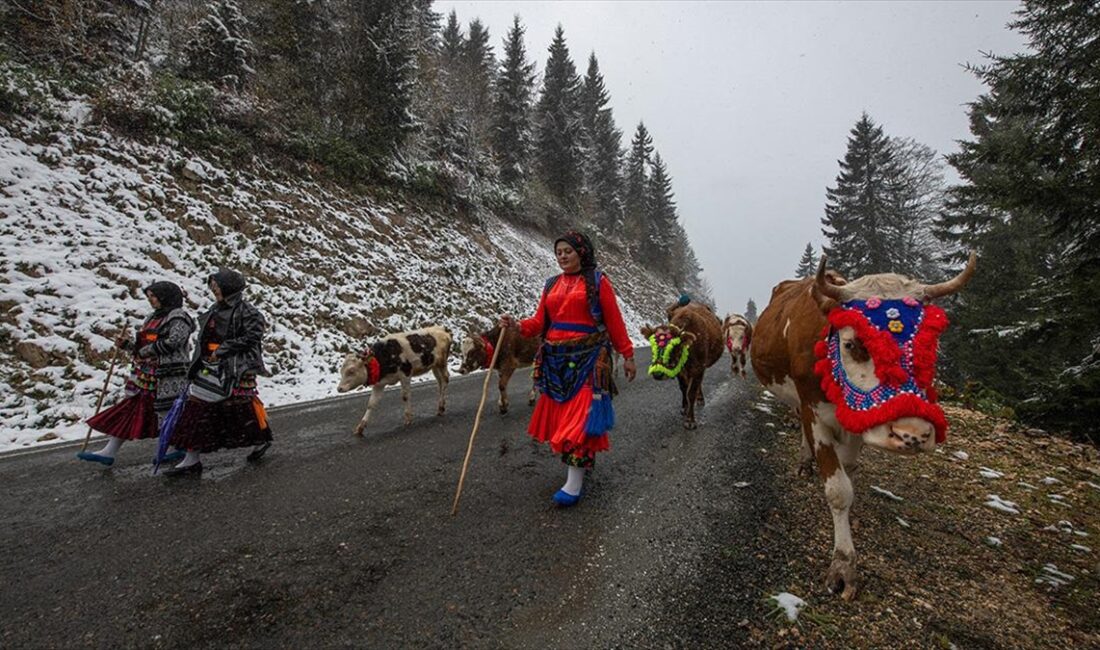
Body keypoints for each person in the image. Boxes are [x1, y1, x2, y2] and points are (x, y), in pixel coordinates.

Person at [500, 231, 637, 507]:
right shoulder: (551, 284)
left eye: (568, 251)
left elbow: (614, 321)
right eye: (558, 252)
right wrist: (517, 326)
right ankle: (579, 466)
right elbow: (539, 322)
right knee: (564, 418)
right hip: (555, 358)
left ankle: (574, 483)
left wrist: (628, 354)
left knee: (580, 417)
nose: (562, 256)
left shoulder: (598, 282)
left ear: (582, 253)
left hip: (589, 357)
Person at [162, 269, 273, 476]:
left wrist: (222, 350)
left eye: (218, 287)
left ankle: (260, 439)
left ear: (229, 288)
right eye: (213, 287)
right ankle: (191, 458)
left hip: (235, 367)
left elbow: (252, 337)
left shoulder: (248, 312)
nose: (215, 291)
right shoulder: (214, 310)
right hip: (209, 367)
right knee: (197, 408)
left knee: (239, 409)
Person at [78, 281, 195, 467]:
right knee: (133, 410)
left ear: (166, 297)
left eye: (155, 297)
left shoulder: (179, 318)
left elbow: (174, 341)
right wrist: (128, 346)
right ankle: (110, 450)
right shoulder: (151, 318)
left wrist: (147, 351)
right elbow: (142, 348)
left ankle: (179, 448)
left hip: (169, 377)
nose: (152, 301)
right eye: (149, 297)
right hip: (147, 376)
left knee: (170, 414)